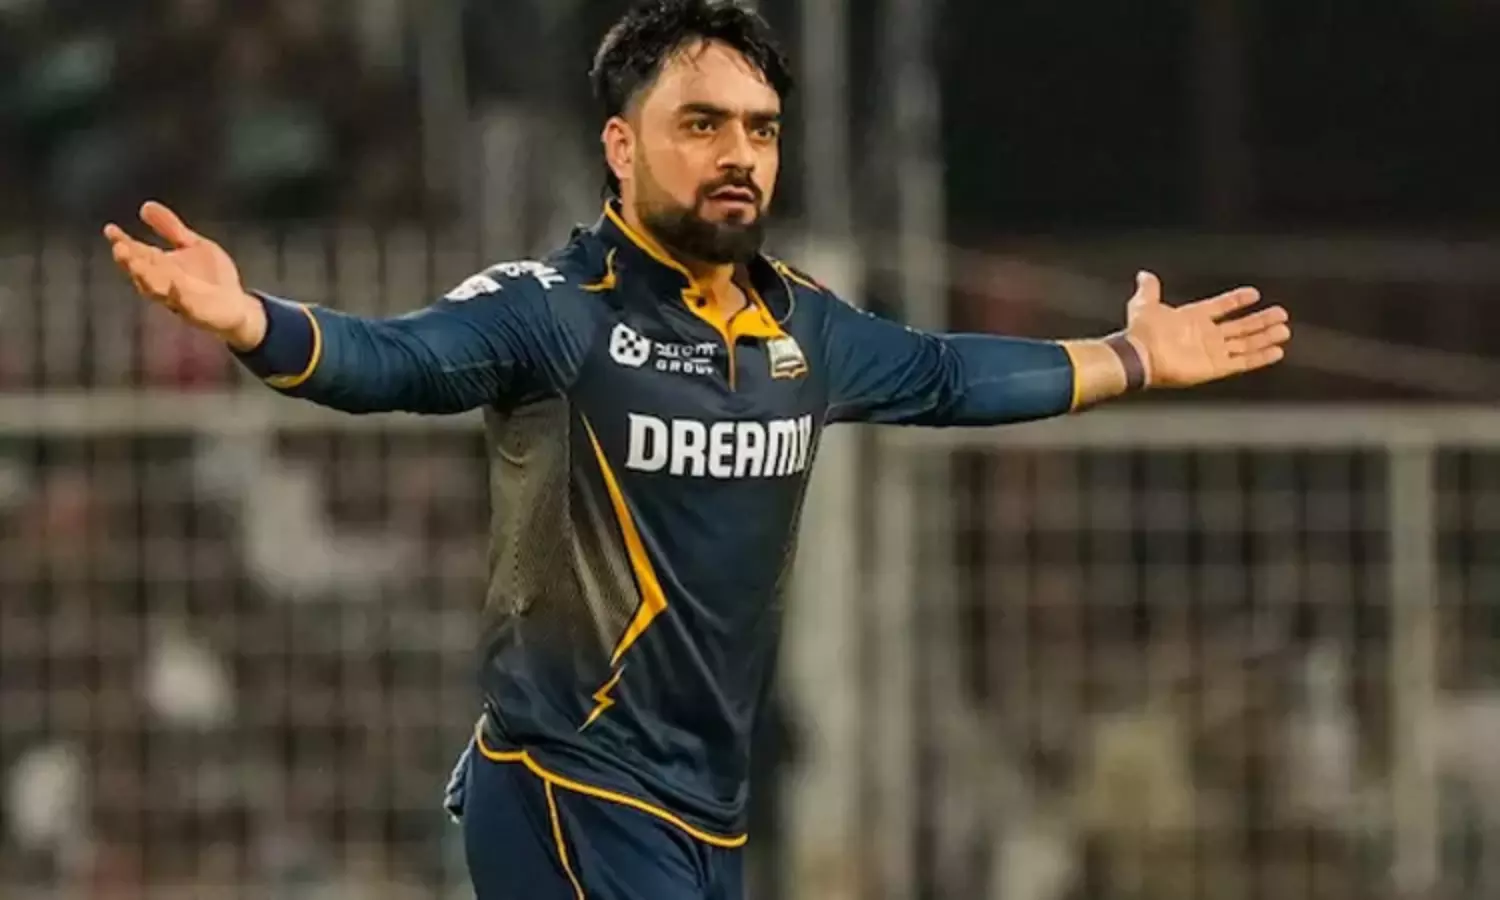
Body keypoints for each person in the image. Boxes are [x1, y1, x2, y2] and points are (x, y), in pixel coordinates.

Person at [103, 2, 1292, 897]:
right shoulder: (554, 312)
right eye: (703, 124)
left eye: (761, 129)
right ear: (622, 147)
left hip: (707, 813)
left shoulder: (801, 327)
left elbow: (945, 377)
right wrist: (251, 321)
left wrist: (1131, 358)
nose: (741, 154)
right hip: (566, 789)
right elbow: (391, 360)